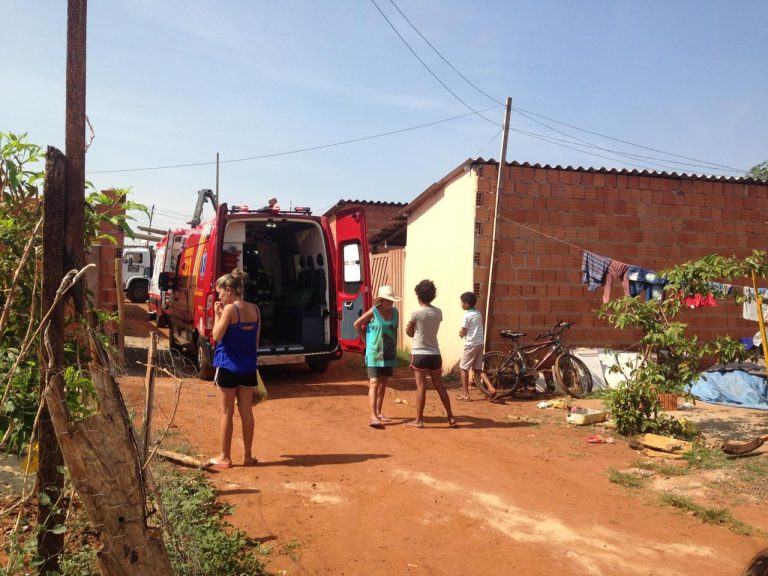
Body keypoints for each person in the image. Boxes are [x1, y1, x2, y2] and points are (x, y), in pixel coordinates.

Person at [207, 268, 261, 469]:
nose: (218, 295)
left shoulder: (229, 310)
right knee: (246, 412)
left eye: (219, 292)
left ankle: (225, 457)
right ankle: (248, 456)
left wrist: (217, 314)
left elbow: (216, 336)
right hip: (248, 368)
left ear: (229, 290)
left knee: (226, 413)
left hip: (228, 367)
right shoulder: (255, 309)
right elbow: (255, 343)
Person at [405, 279, 456, 428]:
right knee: (439, 385)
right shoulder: (438, 312)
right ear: (433, 295)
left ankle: (419, 420)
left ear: (418, 295)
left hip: (419, 353)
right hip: (435, 353)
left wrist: (410, 329)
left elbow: (409, 332)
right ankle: (451, 417)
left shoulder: (416, 312)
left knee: (421, 386)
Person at [353, 285, 401, 429]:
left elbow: (395, 330)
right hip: (374, 353)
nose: (390, 303)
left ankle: (379, 412)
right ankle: (373, 415)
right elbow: (357, 324)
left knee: (383, 383)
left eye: (391, 301)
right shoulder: (373, 312)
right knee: (374, 382)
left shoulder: (395, 313)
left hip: (389, 353)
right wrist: (366, 341)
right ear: (380, 300)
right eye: (387, 300)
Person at [456, 291, 498, 401]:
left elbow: (463, 332)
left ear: (467, 304)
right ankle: (491, 388)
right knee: (478, 369)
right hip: (480, 343)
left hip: (470, 344)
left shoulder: (466, 316)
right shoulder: (478, 314)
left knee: (463, 368)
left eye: (462, 303)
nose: (461, 304)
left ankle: (465, 394)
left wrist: (460, 334)